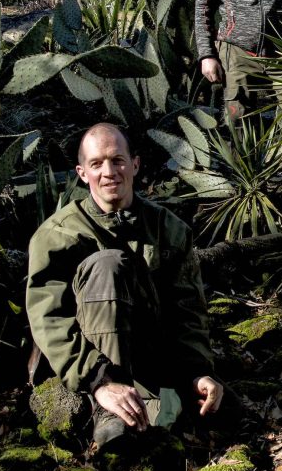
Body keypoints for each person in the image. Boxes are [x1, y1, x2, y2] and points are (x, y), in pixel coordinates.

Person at [26, 123, 223, 447]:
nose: (109, 172)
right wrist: (99, 381)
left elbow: (188, 309)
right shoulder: (57, 236)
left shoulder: (169, 230)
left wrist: (198, 371)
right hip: (87, 363)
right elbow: (49, 319)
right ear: (82, 173)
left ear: (135, 163)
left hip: (150, 354)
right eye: (96, 164)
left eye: (117, 160)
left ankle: (154, 410)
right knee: (107, 264)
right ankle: (108, 413)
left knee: (183, 422)